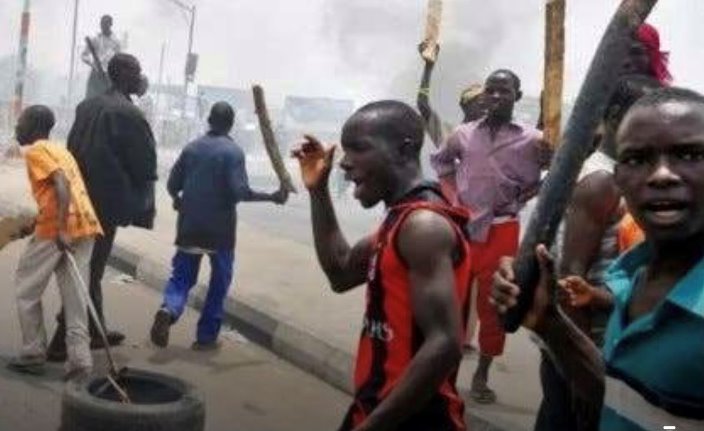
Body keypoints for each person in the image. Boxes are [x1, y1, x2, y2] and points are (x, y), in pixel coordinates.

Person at [493, 86, 704, 431]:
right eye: (637, 159)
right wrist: (550, 323)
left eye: (690, 155)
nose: (662, 174)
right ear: (619, 177)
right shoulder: (630, 279)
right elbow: (629, 403)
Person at [293, 101, 471, 431]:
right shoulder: (401, 221)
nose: (344, 162)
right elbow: (341, 272)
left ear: (404, 149)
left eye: (359, 149)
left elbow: (445, 344)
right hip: (378, 409)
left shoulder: (423, 226)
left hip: (414, 420)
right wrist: (318, 191)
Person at [534, 75, 661, 431]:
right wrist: (581, 367)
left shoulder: (619, 175)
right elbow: (570, 278)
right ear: (616, 115)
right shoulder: (602, 181)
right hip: (584, 340)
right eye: (644, 118)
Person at [431, 69, 551, 404]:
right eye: (491, 90)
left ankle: (482, 374)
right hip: (463, 228)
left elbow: (553, 173)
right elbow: (441, 163)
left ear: (517, 96)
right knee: (451, 302)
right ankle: (445, 372)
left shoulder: (534, 140)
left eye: (504, 91)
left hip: (502, 230)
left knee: (494, 306)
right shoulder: (463, 134)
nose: (496, 96)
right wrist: (453, 197)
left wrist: (527, 192)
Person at [150, 102, 288, 350]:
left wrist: (177, 199)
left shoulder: (191, 148)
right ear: (231, 124)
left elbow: (172, 184)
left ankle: (168, 309)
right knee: (219, 283)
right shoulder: (233, 152)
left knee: (181, 277)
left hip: (189, 225)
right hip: (220, 232)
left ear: (209, 120)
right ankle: (206, 338)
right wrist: (272, 197)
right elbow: (239, 192)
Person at [47, 53, 157, 361]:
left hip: (79, 198)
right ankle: (61, 341)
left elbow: (72, 149)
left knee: (90, 266)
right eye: (137, 71)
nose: (141, 77)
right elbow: (145, 165)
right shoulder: (129, 114)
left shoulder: (87, 106)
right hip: (105, 205)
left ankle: (96, 332)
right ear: (122, 74)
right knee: (91, 270)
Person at [7, 106, 102, 381]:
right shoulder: (61, 150)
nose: (17, 127)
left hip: (57, 230)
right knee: (75, 296)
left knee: (26, 288)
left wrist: (60, 229)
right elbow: (59, 188)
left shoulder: (37, 151)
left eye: (21, 122)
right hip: (85, 225)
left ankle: (33, 352)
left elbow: (61, 183)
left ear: (34, 126)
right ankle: (80, 362)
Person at [416, 42, 488, 147]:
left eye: (488, 106)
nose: (485, 110)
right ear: (465, 106)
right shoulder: (450, 135)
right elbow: (422, 105)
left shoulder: (493, 139)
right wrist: (428, 67)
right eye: (481, 103)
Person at [82, 15, 122, 99]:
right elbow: (84, 55)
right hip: (95, 74)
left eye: (105, 24)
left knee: (108, 100)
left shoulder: (116, 42)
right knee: (90, 99)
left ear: (110, 25)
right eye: (102, 24)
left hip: (108, 76)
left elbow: (119, 59)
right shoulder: (95, 39)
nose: (103, 26)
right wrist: (92, 64)